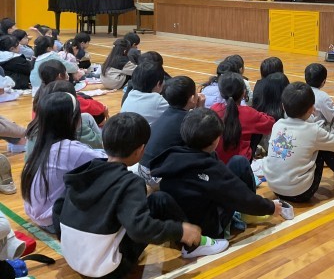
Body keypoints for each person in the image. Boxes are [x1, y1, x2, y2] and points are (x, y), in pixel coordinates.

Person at [53, 112, 228, 279]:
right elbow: (140, 229)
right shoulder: (129, 182)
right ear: (140, 150)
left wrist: (72, 243)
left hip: (72, 258)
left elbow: (58, 208)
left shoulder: (85, 170)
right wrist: (181, 231)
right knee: (159, 201)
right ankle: (193, 245)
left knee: (151, 202)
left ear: (104, 143)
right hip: (108, 272)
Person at [151, 108, 282, 239]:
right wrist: (271, 207)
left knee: (237, 163)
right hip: (208, 230)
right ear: (215, 141)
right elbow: (241, 196)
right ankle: (248, 214)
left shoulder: (172, 156)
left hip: (181, 229)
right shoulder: (211, 169)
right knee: (240, 164)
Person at [263, 82, 334, 202]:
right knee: (325, 147)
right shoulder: (313, 131)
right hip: (300, 194)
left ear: (283, 107)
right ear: (312, 108)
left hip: (275, 188)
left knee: (316, 144)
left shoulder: (278, 125)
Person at [21, 92, 106, 233]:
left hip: (35, 213)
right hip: (53, 220)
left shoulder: (42, 142)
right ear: (72, 119)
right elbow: (108, 160)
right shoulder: (69, 149)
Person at [138, 76, 204, 188]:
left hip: (142, 168)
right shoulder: (187, 120)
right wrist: (201, 109)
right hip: (156, 174)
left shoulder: (167, 112)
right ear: (193, 99)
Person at [211, 72, 274, 164]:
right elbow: (270, 123)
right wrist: (258, 113)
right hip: (240, 164)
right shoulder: (249, 113)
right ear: (243, 93)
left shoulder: (214, 109)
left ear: (221, 93)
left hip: (217, 162)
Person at [120, 62, 169, 126]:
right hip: (142, 132)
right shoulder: (157, 100)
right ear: (158, 84)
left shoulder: (131, 93)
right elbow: (176, 113)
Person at [304, 63, 334, 129]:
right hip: (317, 129)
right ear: (323, 81)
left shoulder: (300, 90)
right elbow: (333, 118)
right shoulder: (323, 97)